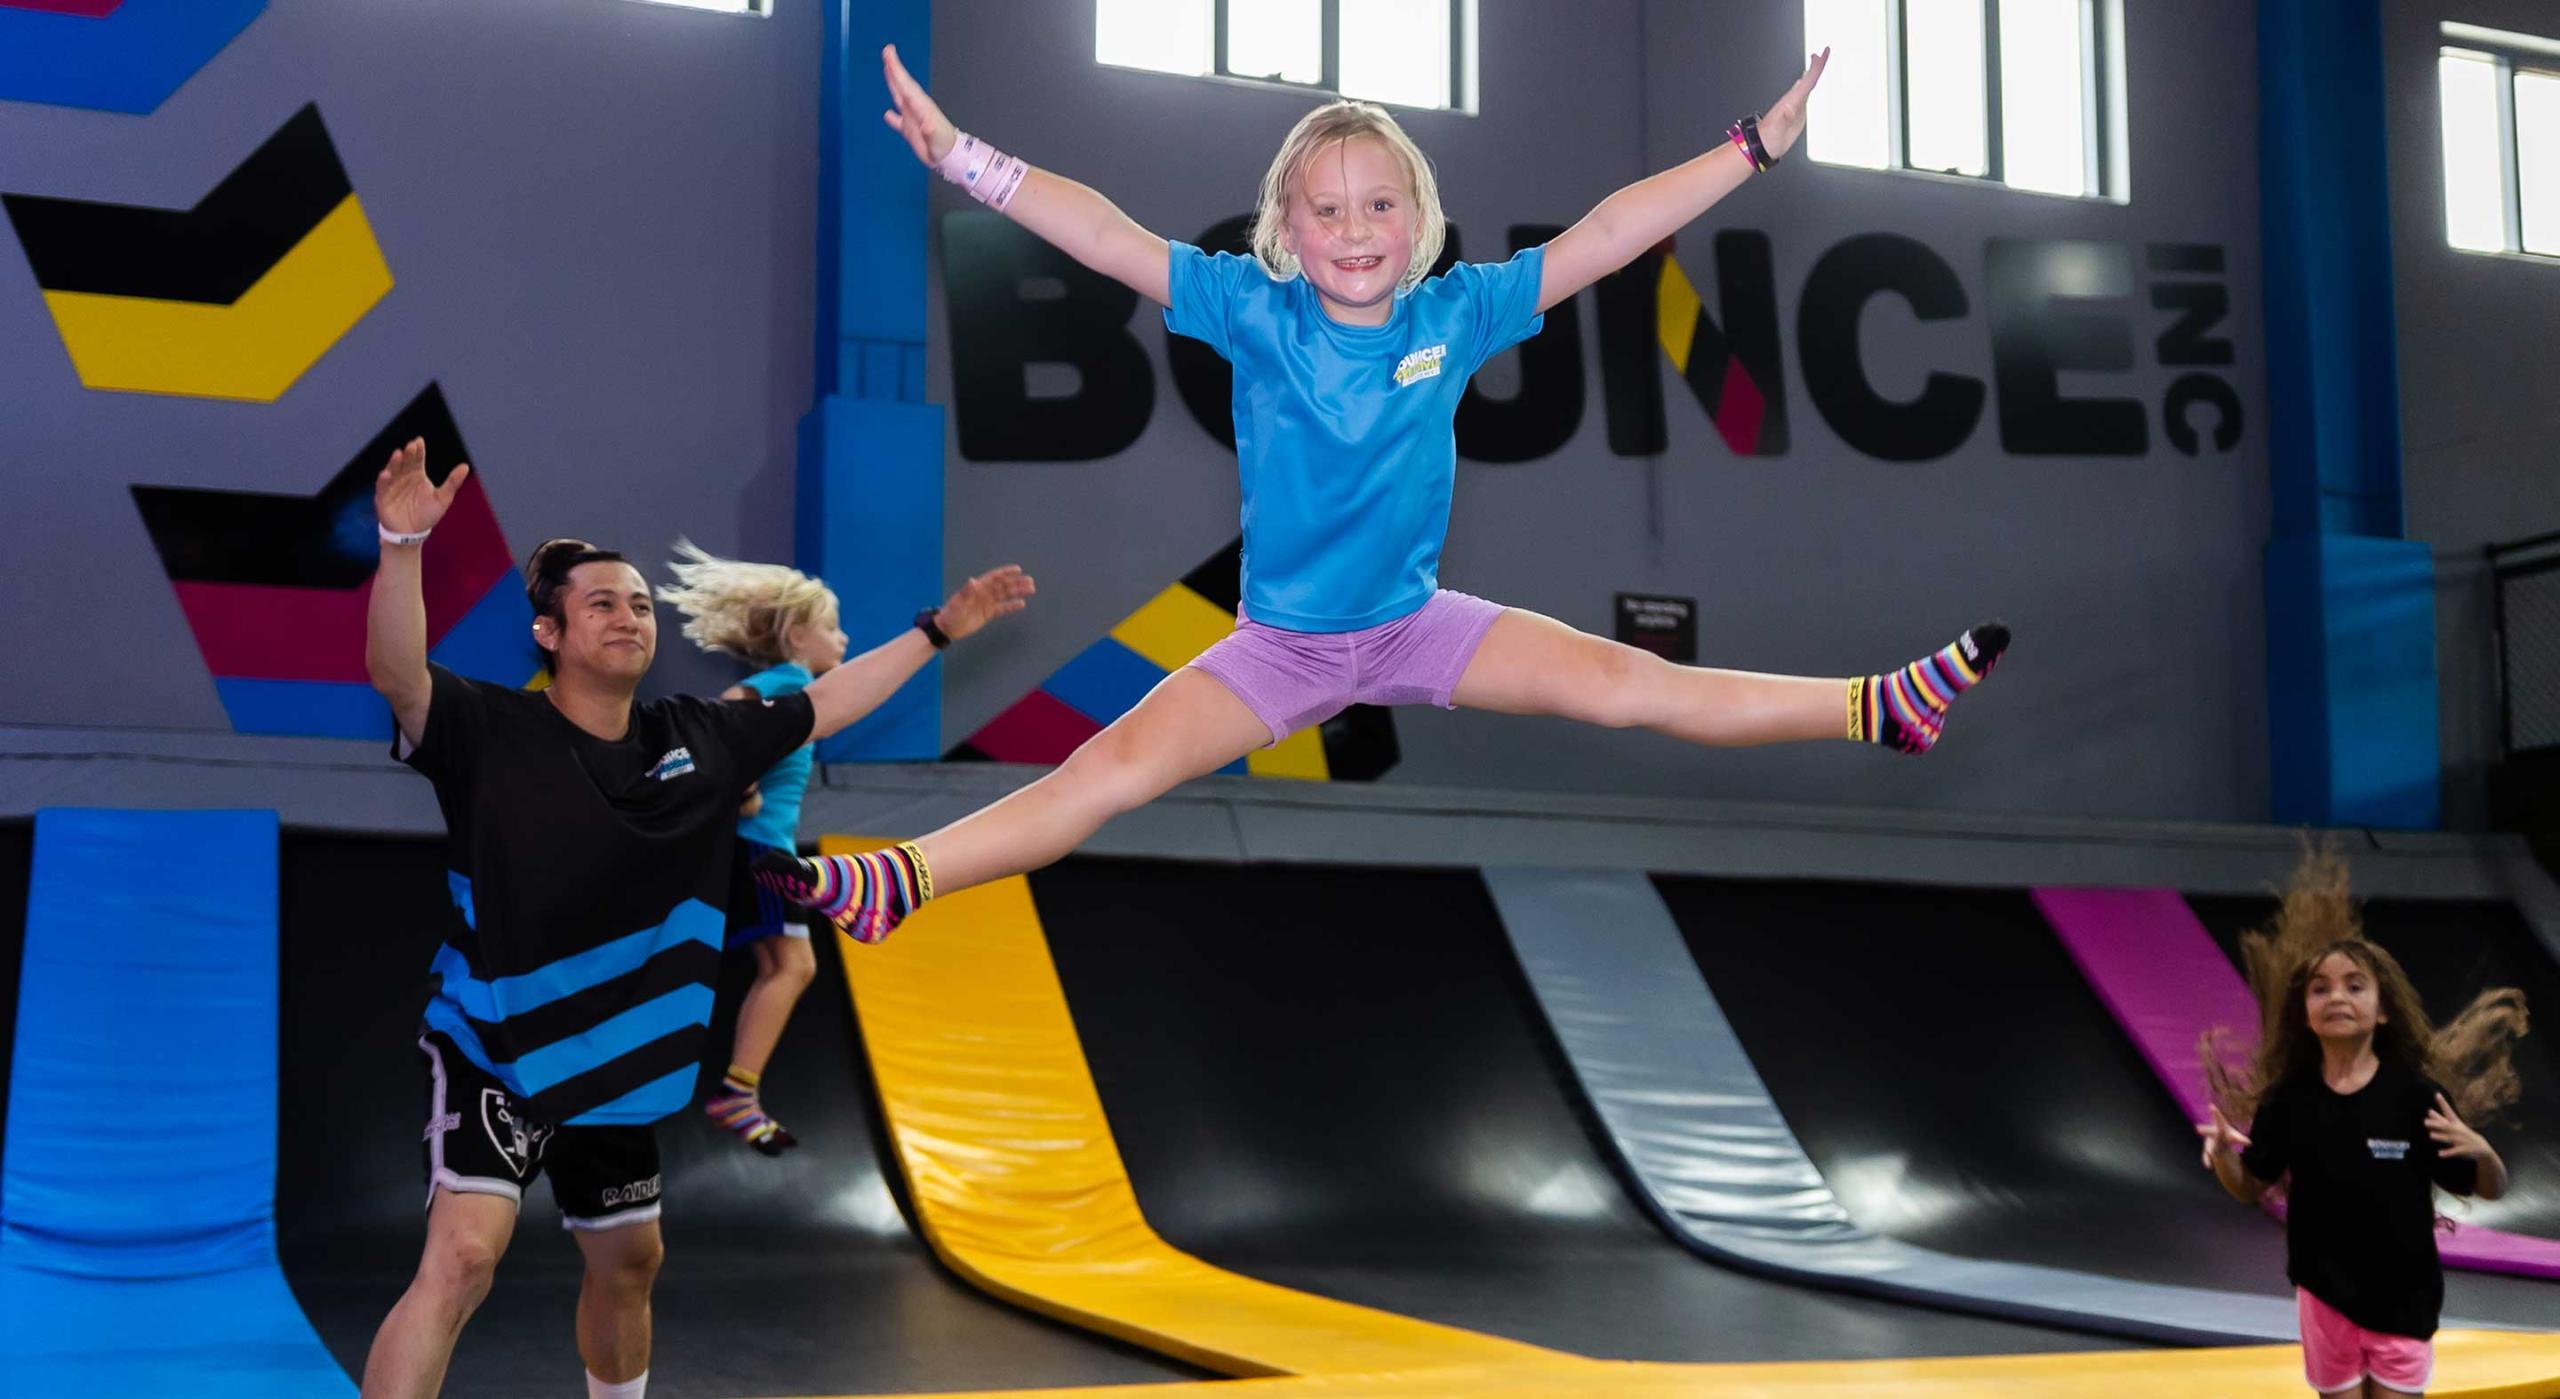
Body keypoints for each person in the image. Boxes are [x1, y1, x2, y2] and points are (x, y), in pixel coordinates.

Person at [758, 42, 2010, 945]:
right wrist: (965, 158)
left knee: (1634, 685)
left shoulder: (1455, 313)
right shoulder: (1251, 311)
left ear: (1418, 219)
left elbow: (1609, 235)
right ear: (1284, 228)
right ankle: (902, 879)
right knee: (1108, 769)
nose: (1353, 229)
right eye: (1325, 210)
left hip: (1417, 625)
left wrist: (1751, 148)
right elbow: (1103, 234)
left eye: (1377, 205)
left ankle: (1874, 707)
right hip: (1281, 648)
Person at [357, 439, 1031, 1398]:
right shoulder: (489, 729)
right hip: (496, 1047)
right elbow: (398, 676)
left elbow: (828, 701)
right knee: (464, 1258)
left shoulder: (697, 738)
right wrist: (401, 545)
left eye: (640, 604)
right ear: (549, 632)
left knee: (631, 1265)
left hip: (619, 1065)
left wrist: (940, 628)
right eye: (602, 603)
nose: (629, 616)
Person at [657, 541, 1029, 1153]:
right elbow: (726, 717)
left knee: (779, 966)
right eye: (832, 628)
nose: (844, 638)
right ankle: (736, 1092)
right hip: (758, 851)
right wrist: (739, 784)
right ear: (797, 637)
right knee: (793, 966)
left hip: (751, 847)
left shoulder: (781, 685)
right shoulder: (788, 682)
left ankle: (737, 1090)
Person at [2197, 852, 2525, 1398]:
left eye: (2355, 986)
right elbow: (2250, 1186)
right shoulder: (2290, 1099)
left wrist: (2484, 1153)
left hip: (2404, 1298)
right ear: (2306, 1013)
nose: (2337, 998)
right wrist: (2226, 1159)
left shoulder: (2417, 1098)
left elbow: (2488, 1188)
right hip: (2324, 1296)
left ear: (2383, 1010)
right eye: (2320, 989)